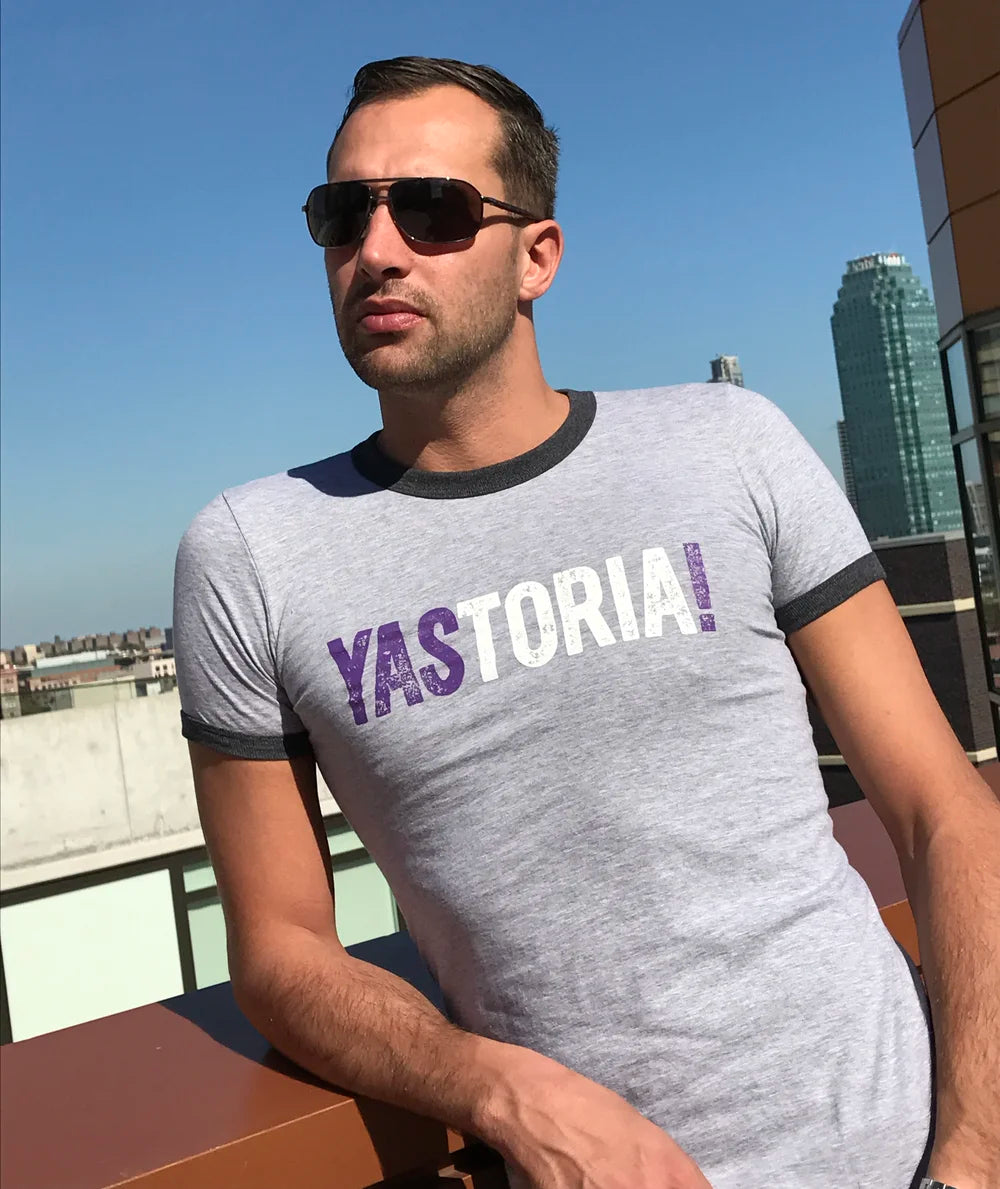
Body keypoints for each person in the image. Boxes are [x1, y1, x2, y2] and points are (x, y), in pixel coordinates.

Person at [173, 56, 999, 1189]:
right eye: (343, 213)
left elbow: (940, 807)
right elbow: (278, 950)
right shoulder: (252, 554)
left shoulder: (730, 445)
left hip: (912, 1151)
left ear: (538, 256)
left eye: (431, 208)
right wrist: (503, 1091)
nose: (377, 249)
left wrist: (972, 1154)